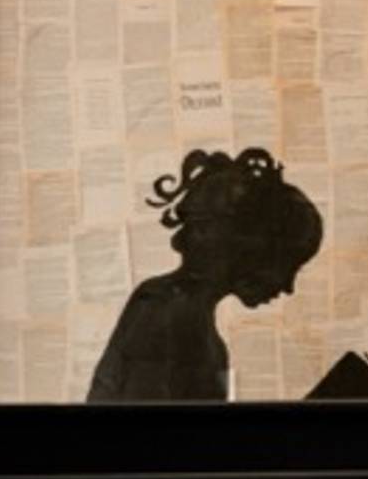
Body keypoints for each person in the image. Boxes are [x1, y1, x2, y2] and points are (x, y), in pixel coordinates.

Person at [87, 147, 323, 402]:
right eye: (287, 266)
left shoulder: (176, 311)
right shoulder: (168, 313)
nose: (288, 287)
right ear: (248, 249)